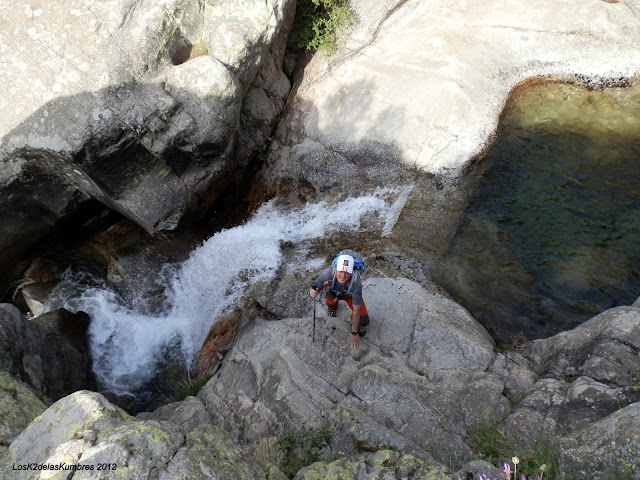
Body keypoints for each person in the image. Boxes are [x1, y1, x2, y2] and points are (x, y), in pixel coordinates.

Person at [308, 253, 370, 349]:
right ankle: (332, 308)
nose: (343, 275)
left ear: (351, 271)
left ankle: (354, 322)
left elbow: (357, 310)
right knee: (330, 303)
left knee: (364, 320)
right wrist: (312, 292)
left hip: (350, 296)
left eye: (347, 272)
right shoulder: (326, 274)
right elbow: (314, 289)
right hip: (332, 294)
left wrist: (354, 332)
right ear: (335, 268)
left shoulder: (356, 282)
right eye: (340, 271)